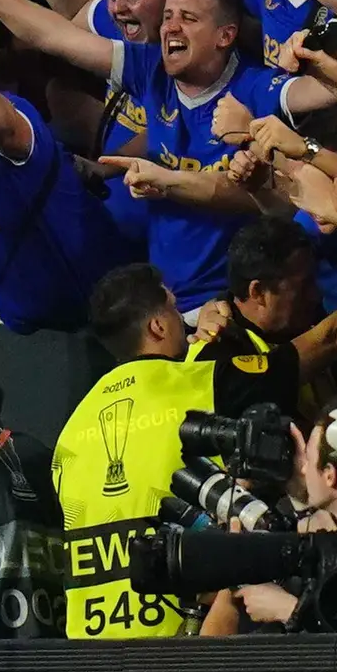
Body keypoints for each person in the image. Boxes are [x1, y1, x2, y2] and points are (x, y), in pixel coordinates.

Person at [46, 264, 229, 641]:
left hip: (91, 646)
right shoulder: (199, 383)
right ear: (158, 327)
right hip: (186, 636)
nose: (182, 321)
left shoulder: (72, 426)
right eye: (175, 311)